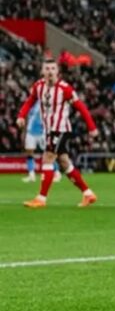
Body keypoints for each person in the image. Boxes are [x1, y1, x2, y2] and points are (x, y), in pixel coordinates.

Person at [17, 59, 99, 208]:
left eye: (52, 69)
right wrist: (21, 115)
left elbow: (81, 107)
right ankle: (88, 194)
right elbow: (30, 101)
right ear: (42, 71)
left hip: (60, 129)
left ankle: (41, 199)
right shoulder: (38, 86)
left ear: (57, 72)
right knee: (64, 162)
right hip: (48, 130)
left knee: (47, 158)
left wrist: (91, 127)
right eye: (46, 68)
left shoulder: (65, 89)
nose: (49, 71)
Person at [22, 102, 45, 183]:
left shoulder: (43, 100)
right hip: (30, 132)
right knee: (29, 152)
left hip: (42, 132)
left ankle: (55, 172)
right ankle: (31, 175)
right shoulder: (30, 103)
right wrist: (24, 131)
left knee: (48, 153)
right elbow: (27, 117)